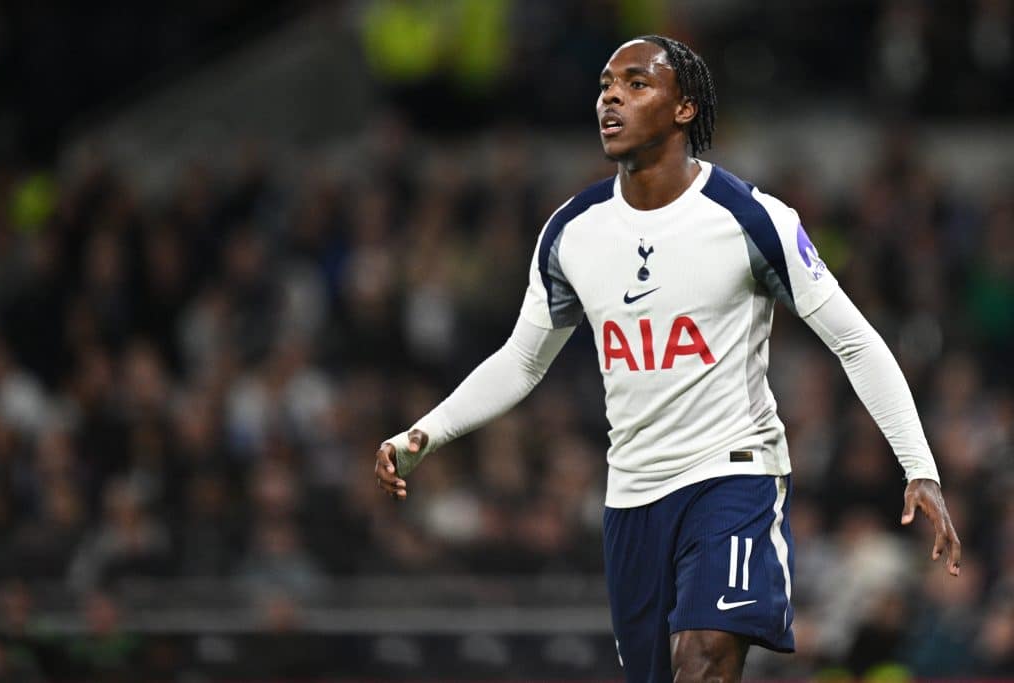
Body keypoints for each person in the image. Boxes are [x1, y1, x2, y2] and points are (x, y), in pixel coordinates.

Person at [374, 35, 962, 683]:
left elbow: (855, 339)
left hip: (732, 475)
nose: (611, 98)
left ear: (684, 109)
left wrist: (919, 466)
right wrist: (426, 432)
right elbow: (522, 360)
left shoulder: (751, 218)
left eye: (636, 84)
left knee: (705, 657)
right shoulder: (572, 231)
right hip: (631, 498)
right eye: (605, 85)